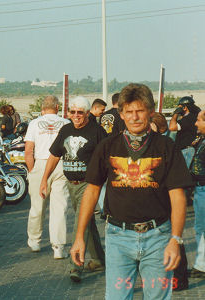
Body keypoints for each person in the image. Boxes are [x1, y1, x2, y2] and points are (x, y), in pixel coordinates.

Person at [70, 83, 193, 299]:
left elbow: (177, 196)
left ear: (150, 112)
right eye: (129, 112)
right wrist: (80, 236)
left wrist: (176, 239)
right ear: (121, 114)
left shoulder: (166, 147)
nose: (135, 117)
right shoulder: (108, 146)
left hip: (158, 238)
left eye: (140, 111)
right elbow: (91, 191)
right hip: (118, 238)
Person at [39, 96, 107, 283]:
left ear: (87, 113)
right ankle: (100, 260)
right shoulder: (66, 129)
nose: (76, 116)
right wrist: (45, 179)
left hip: (89, 185)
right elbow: (54, 155)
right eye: (72, 112)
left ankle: (76, 265)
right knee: (87, 223)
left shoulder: (97, 131)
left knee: (80, 223)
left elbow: (107, 156)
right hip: (71, 184)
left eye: (80, 113)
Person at [25, 95, 70, 259]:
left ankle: (35, 240)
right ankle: (58, 246)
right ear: (57, 107)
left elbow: (29, 150)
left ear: (42, 107)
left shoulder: (34, 123)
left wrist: (32, 171)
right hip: (60, 164)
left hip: (41, 163)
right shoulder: (66, 123)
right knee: (59, 207)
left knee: (37, 206)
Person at [189, 111, 205, 279]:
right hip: (199, 189)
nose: (195, 123)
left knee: (202, 228)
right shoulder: (201, 141)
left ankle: (202, 265)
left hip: (203, 189)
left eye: (199, 120)